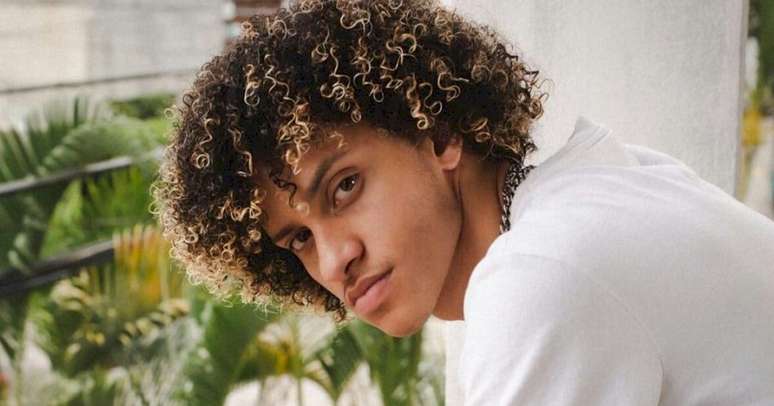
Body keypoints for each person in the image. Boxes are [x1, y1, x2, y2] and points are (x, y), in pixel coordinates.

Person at [152, 0, 774, 404]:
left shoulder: (543, 273)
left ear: (439, 135)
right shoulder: (594, 189)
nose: (335, 260)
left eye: (344, 186)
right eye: (300, 239)